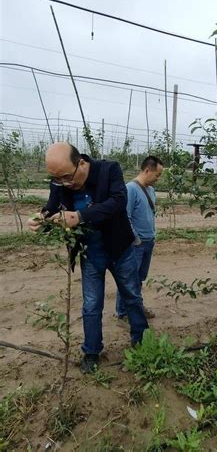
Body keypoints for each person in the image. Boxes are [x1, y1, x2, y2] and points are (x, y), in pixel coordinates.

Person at [27, 143, 149, 374]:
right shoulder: (60, 182)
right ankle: (91, 351)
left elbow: (117, 202)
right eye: (57, 180)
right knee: (91, 305)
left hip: (120, 249)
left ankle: (142, 341)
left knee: (132, 296)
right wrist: (41, 218)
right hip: (90, 254)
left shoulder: (109, 170)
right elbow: (52, 208)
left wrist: (80, 216)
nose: (64, 183)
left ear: (81, 162)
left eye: (66, 176)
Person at [115, 156, 164, 325]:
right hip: (136, 245)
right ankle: (122, 313)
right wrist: (135, 239)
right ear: (147, 170)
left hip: (148, 242)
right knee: (128, 279)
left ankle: (136, 307)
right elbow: (125, 217)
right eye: (157, 175)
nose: (158, 179)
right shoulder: (130, 189)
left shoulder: (150, 190)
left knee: (139, 278)